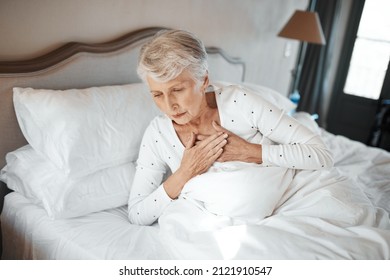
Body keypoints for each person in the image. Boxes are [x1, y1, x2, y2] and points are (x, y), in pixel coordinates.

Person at [128, 29, 333, 225]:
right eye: (157, 94)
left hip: (291, 206)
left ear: (203, 80)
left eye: (177, 90)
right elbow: (137, 214)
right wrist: (185, 172)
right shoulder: (157, 135)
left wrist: (250, 152)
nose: (169, 105)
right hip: (214, 228)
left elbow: (322, 155)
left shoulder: (239, 102)